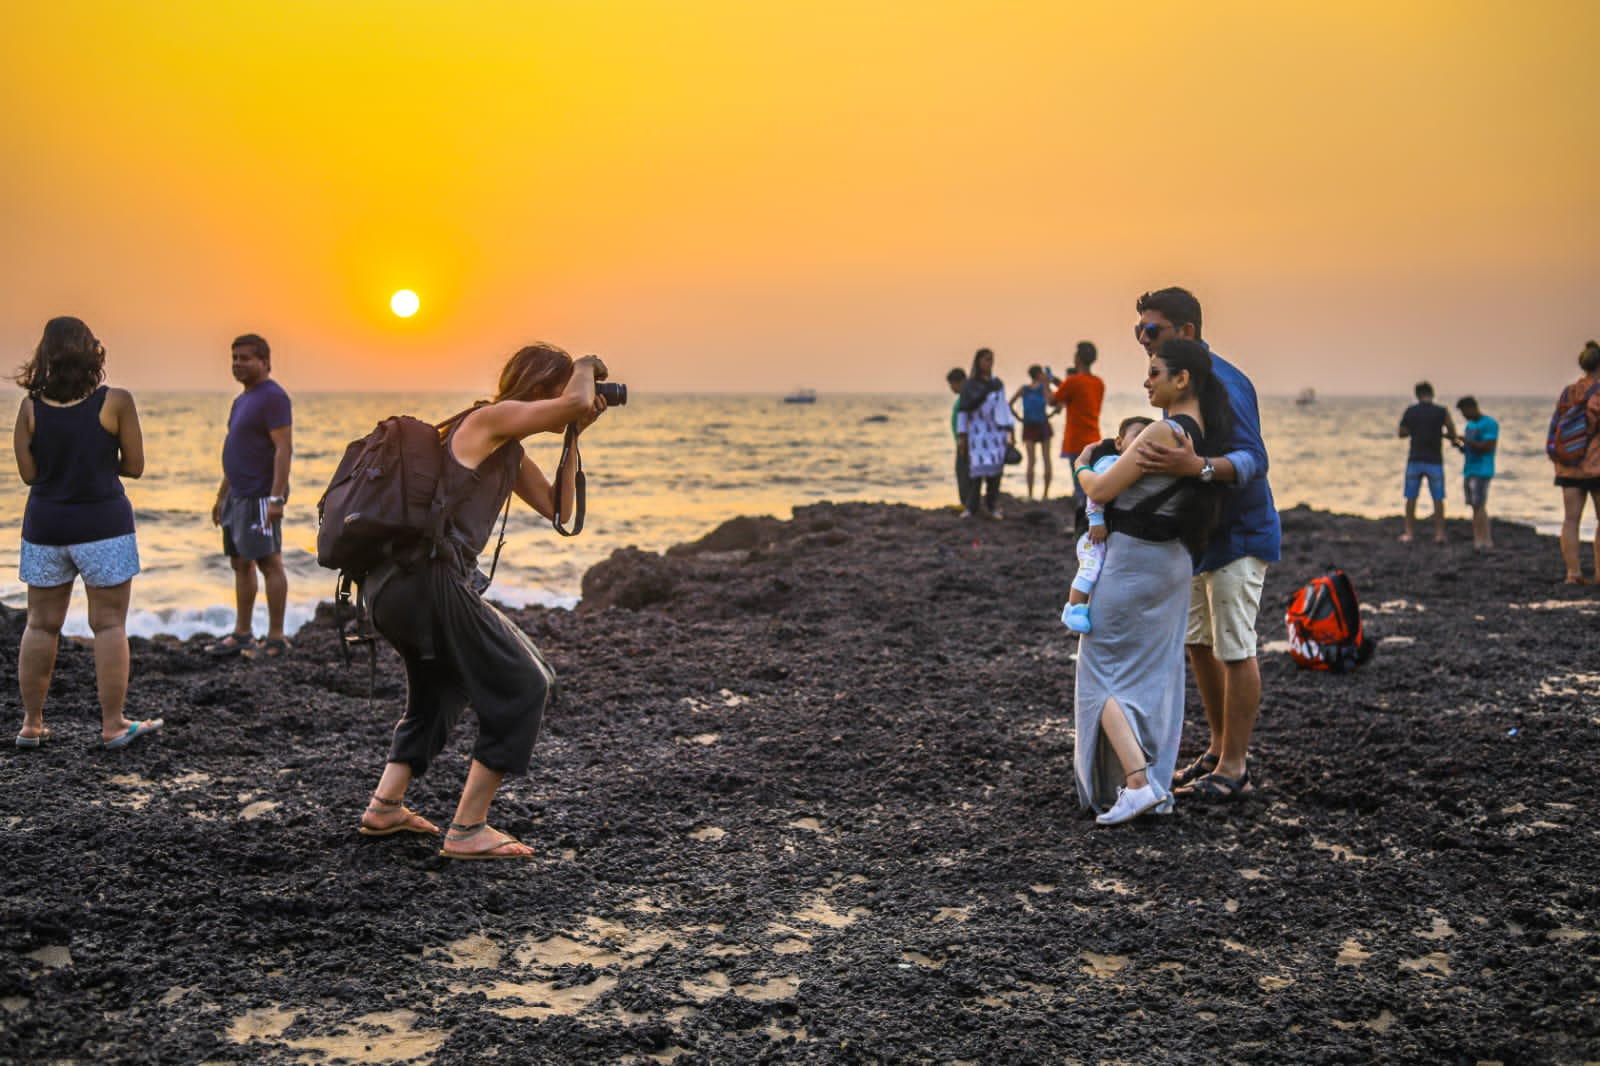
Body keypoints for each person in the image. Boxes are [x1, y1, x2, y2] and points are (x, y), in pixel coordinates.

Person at [357, 342, 609, 860]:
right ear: (541, 388)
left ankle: (385, 806)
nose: (576, 398)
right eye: (564, 390)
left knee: (442, 688)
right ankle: (469, 829)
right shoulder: (489, 419)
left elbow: (560, 510)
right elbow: (569, 402)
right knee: (524, 683)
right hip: (429, 582)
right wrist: (584, 366)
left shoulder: (505, 445)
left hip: (400, 587)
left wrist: (573, 438)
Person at [1132, 286, 1280, 801]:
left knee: (1236, 648)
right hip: (1199, 538)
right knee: (1198, 643)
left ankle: (1236, 766)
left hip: (1241, 534)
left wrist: (1198, 468)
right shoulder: (1173, 380)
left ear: (1187, 332)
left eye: (1153, 331)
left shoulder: (1226, 383)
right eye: (1139, 331)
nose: (1144, 342)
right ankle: (1217, 749)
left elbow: (1254, 459)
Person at [1073, 338, 1229, 825]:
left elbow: (1100, 488)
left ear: (1182, 380)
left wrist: (1082, 461)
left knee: (1098, 674)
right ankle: (1141, 781)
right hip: (1171, 564)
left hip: (1134, 567)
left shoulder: (1164, 432)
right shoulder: (1204, 432)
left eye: (1155, 372)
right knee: (1148, 677)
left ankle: (1137, 783)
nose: (1146, 380)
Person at [11, 317, 162, 750]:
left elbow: (29, 474)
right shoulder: (116, 401)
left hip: (45, 526)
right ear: (91, 352)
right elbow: (134, 465)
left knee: (40, 626)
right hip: (104, 526)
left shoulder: (29, 408)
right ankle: (113, 725)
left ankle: (31, 725)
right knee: (109, 625)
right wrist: (95, 466)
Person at [205, 334, 294, 659]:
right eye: (234, 358)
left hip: (260, 496)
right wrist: (221, 496)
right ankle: (243, 634)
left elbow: (283, 449)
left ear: (265, 362)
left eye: (245, 358)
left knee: (269, 562)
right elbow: (237, 451)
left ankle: (275, 638)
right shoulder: (242, 401)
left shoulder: (274, 397)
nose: (238, 364)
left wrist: (276, 499)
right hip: (237, 497)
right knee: (240, 563)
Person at [1062, 416, 1153, 634]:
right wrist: (1096, 521)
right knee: (1090, 568)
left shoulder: (1138, 468)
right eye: (1136, 435)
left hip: (1106, 530)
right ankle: (1074, 609)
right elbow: (1095, 493)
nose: (1142, 441)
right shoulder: (1110, 463)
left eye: (1148, 437)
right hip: (1093, 530)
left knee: (1102, 573)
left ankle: (1089, 606)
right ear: (1120, 442)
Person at [1551, 340, 1600, 584]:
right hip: (1596, 464)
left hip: (1568, 464)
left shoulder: (1568, 391)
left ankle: (1573, 573)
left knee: (1571, 519)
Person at [1398, 381, 1461, 545]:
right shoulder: (1441, 411)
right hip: (1435, 460)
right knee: (1438, 498)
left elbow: (1402, 433)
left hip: (1415, 458)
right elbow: (1452, 431)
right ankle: (1439, 534)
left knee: (1411, 497)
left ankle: (1409, 532)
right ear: (1432, 394)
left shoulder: (1411, 412)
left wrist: (1416, 430)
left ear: (1417, 395)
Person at [1050, 342, 1105, 529]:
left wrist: (1043, 384)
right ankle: (1095, 522)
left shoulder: (1073, 382)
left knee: (1080, 487)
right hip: (1094, 439)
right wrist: (1059, 383)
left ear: (1077, 359)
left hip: (1076, 440)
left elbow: (1052, 400)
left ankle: (1081, 525)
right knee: (1092, 485)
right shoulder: (1098, 383)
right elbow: (1076, 394)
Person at [955, 348, 1014, 520]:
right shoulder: (970, 386)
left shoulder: (997, 384)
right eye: (986, 360)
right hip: (977, 434)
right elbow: (963, 412)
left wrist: (1010, 432)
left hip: (996, 434)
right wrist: (962, 436)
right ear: (978, 362)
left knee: (995, 474)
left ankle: (992, 506)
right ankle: (971, 507)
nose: (989, 363)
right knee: (975, 474)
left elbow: (1004, 408)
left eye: (991, 360)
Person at [1455, 396, 1498, 552]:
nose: (1464, 416)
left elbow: (1487, 447)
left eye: (1464, 412)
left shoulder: (1489, 424)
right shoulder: (1470, 426)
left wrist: (1466, 441)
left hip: (1482, 470)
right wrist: (1458, 444)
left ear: (1472, 408)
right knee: (1474, 506)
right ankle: (1478, 539)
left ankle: (1485, 540)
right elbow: (1469, 450)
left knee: (1480, 506)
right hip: (1469, 470)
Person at [1009, 365, 1057, 499]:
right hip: (1037, 425)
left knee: (1037, 460)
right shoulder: (1033, 389)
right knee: (1040, 459)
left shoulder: (1029, 389)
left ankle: (1038, 495)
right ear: (1037, 375)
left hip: (1033, 425)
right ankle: (1038, 495)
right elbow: (1054, 402)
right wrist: (1018, 417)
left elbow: (1010, 404)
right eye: (1042, 373)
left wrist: (1019, 417)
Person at [947, 367, 973, 516]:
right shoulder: (965, 397)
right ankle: (967, 502)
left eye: (952, 384)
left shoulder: (966, 397)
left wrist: (963, 440)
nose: (951, 388)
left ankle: (966, 504)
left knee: (963, 471)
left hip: (965, 441)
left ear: (960, 382)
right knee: (964, 472)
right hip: (962, 440)